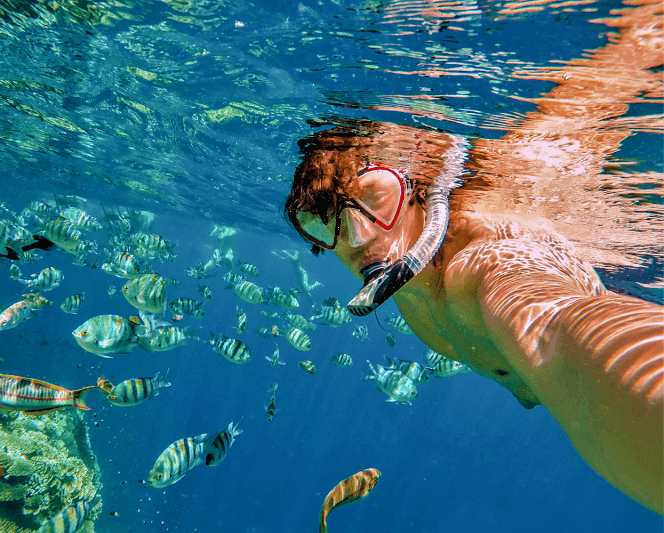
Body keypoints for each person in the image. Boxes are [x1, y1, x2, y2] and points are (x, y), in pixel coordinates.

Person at [284, 3, 663, 515]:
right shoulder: (408, 273)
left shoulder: (486, 262)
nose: (356, 240)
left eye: (374, 199)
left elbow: (555, 325)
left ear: (419, 187)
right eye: (321, 222)